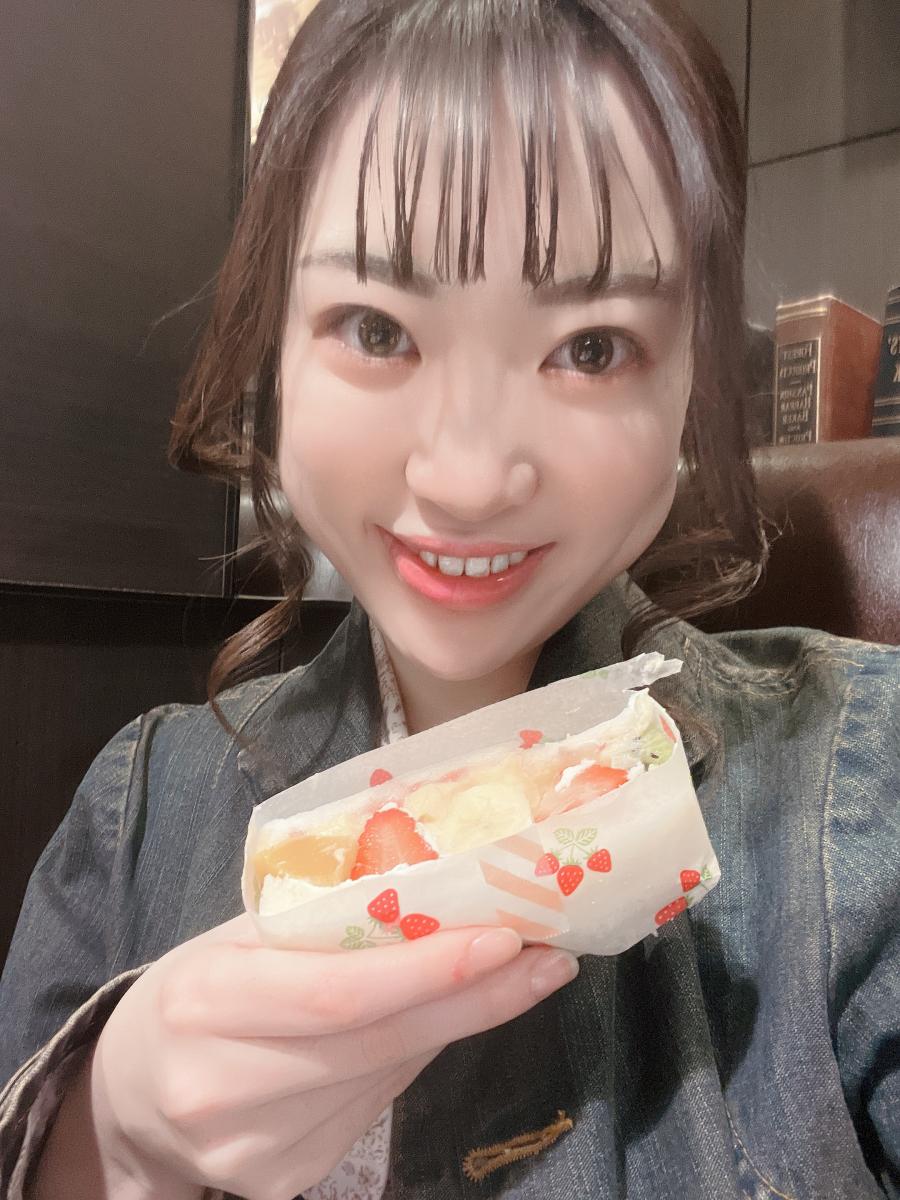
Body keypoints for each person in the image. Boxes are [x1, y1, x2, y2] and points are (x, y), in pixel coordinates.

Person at [1, 1, 897, 1197]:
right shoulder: (138, 815)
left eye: (591, 347)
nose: (468, 480)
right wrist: (110, 1133)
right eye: (377, 329)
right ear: (275, 342)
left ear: (692, 370)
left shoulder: (862, 791)